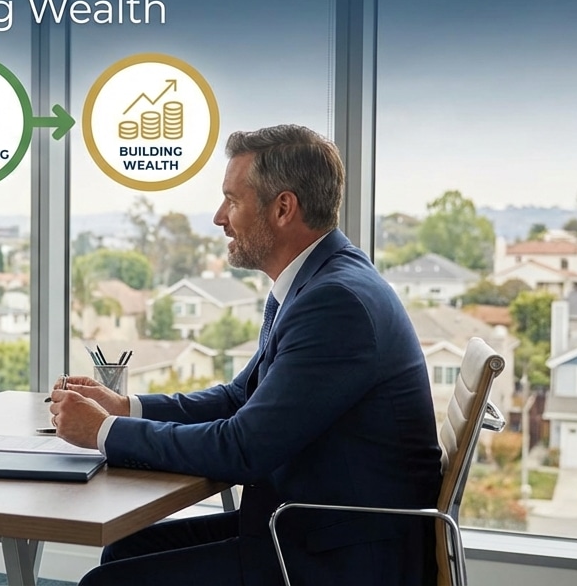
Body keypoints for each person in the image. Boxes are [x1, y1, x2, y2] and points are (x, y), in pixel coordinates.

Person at [49, 125, 442, 586]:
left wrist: (104, 432)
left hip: (343, 555)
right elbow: (241, 397)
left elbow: (243, 447)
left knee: (108, 583)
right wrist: (126, 407)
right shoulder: (311, 283)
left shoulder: (336, 303)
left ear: (282, 208)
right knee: (123, 551)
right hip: (310, 527)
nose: (219, 217)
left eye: (232, 201)